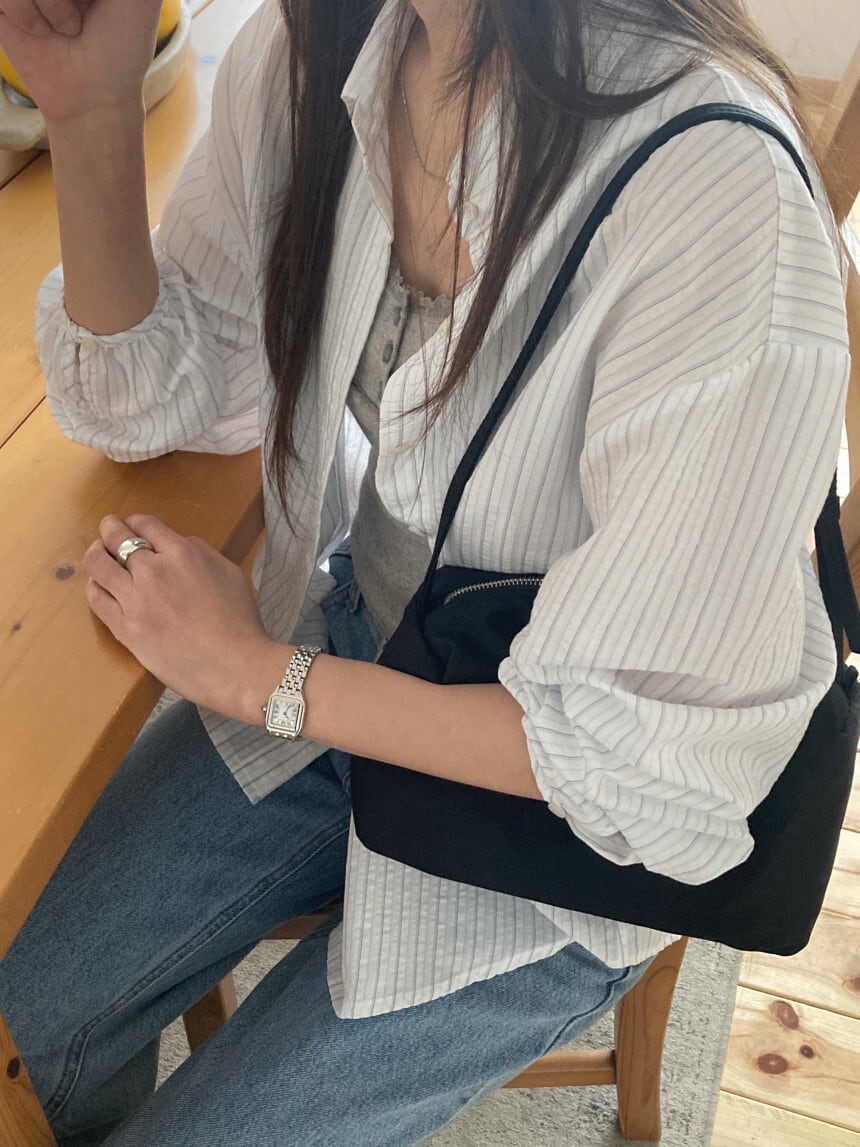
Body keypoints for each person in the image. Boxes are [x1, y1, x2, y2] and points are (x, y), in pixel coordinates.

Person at [0, 0, 851, 1143]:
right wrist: (89, 112)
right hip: (375, 635)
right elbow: (165, 397)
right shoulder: (317, 44)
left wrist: (262, 677)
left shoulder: (712, 194)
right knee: (20, 1016)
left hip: (568, 843)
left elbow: (640, 767)